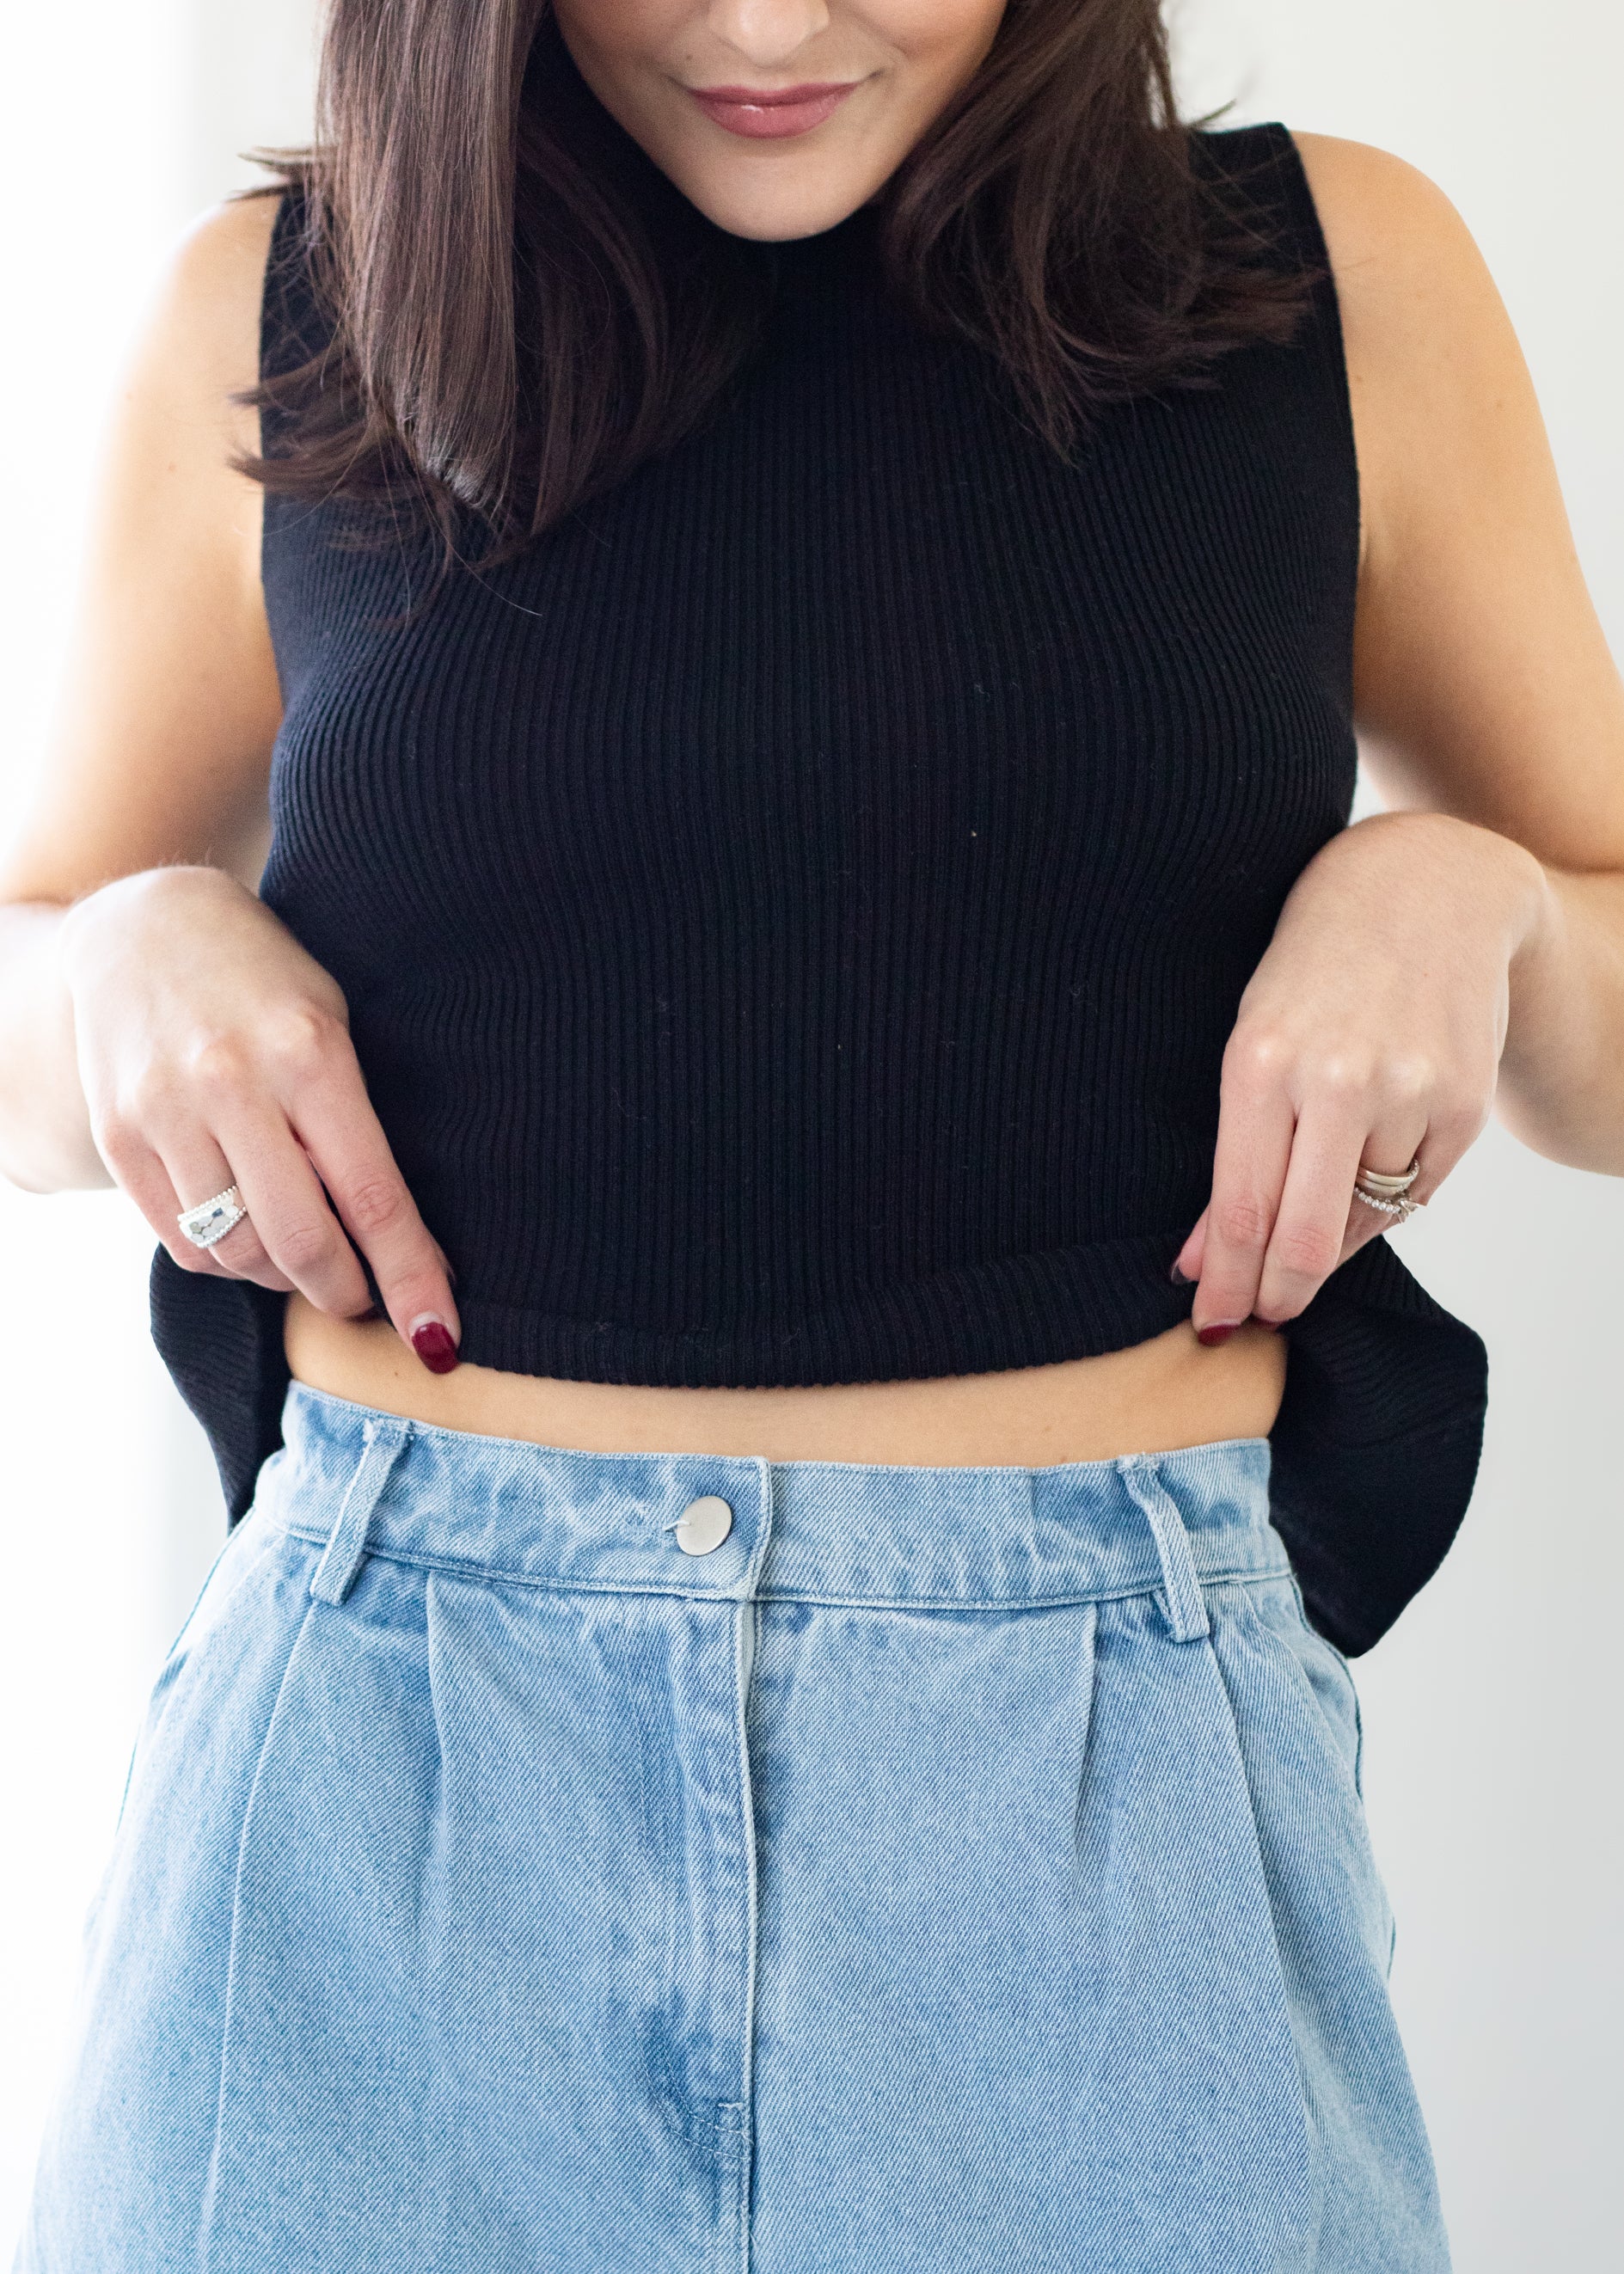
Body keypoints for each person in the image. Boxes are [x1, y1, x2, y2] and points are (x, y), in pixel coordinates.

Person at [4, 0, 1622, 2265]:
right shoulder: (288, 307)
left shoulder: (1339, 277)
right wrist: (112, 956)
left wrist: (1467, 899)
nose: (765, 23)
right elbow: (31, 978)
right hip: (386, 1782)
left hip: (1093, 1793)